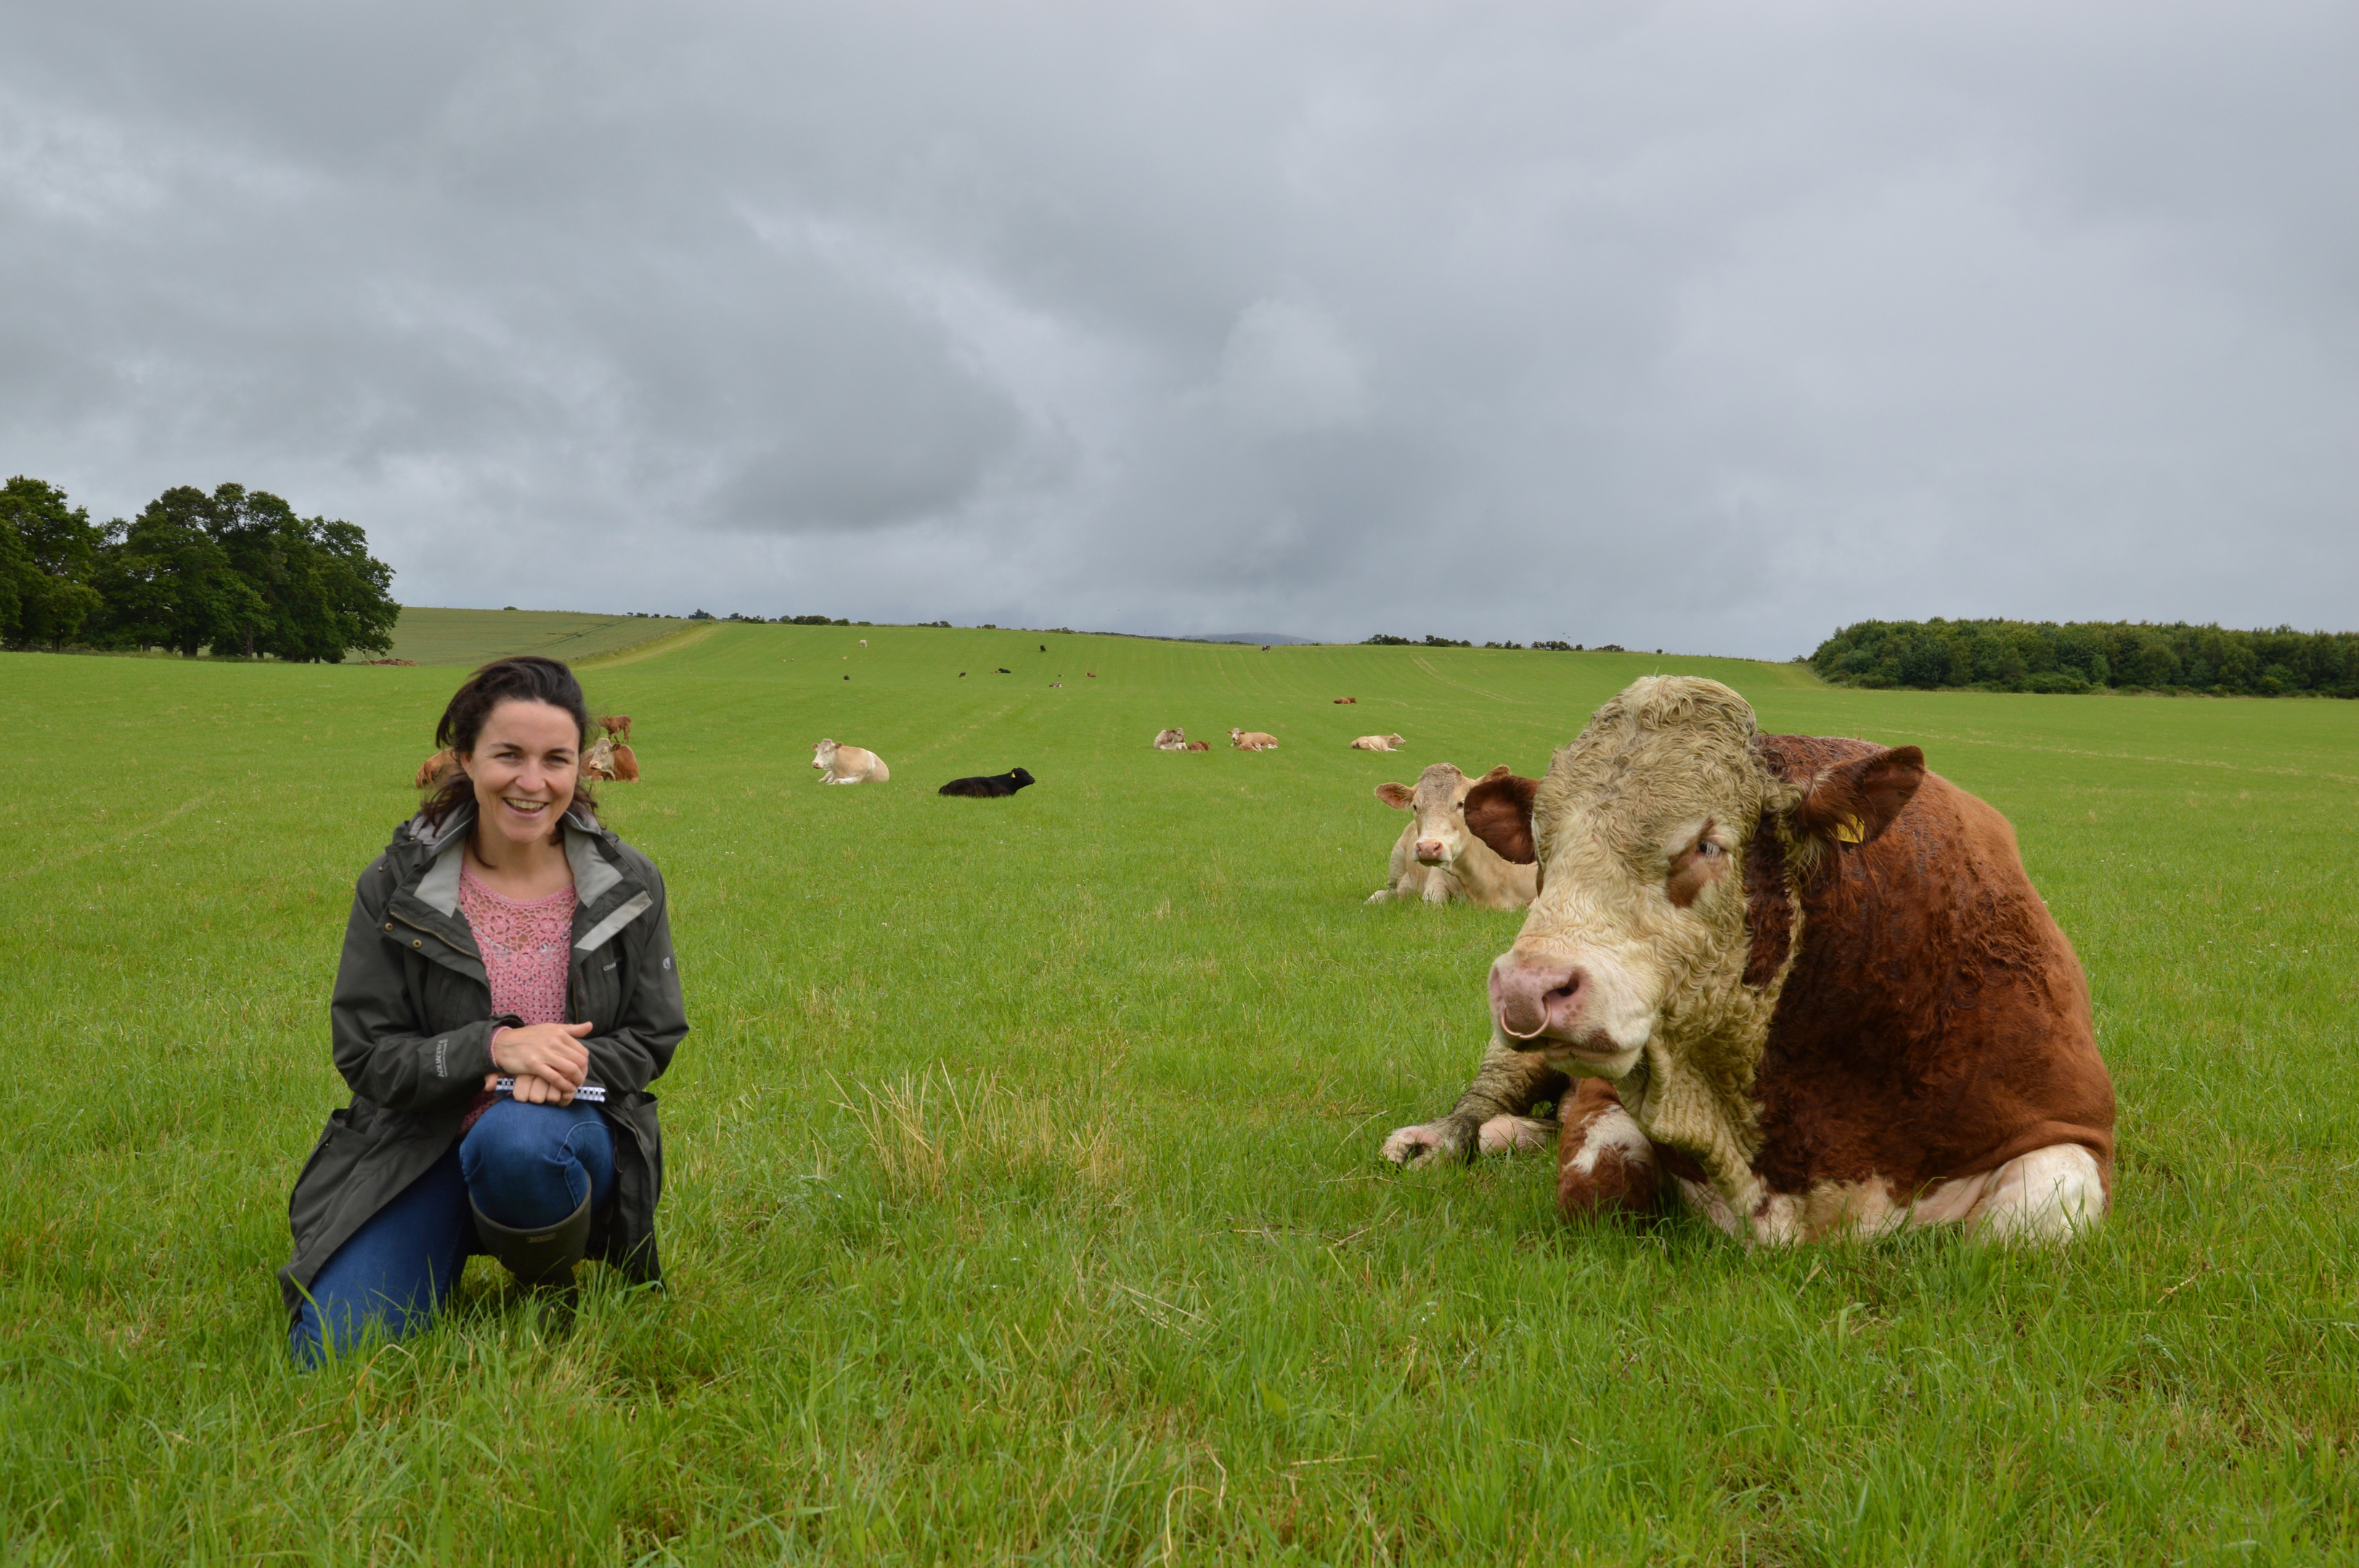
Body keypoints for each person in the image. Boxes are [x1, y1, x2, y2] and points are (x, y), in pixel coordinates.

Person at [282, 656, 687, 1364]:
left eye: (556, 759)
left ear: (579, 769)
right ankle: (439, 1230)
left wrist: (566, 1061)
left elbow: (653, 1038)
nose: (533, 783)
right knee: (335, 1350)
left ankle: (545, 1265)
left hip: (564, 1130)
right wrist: (492, 1049)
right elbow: (366, 1056)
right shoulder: (396, 883)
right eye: (509, 755)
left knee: (519, 1144)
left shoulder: (628, 882)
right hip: (421, 1140)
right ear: (465, 758)